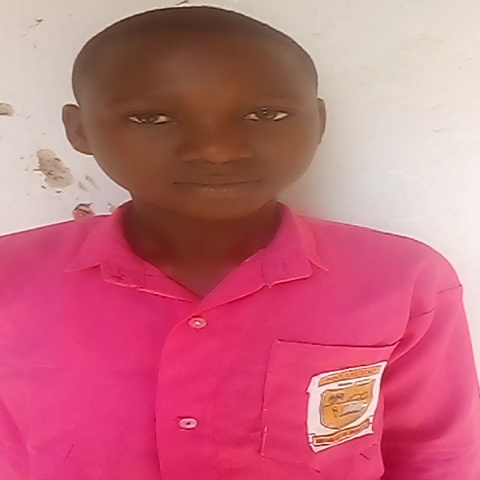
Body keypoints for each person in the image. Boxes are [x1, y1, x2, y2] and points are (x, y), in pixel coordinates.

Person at [0, 5, 479, 480]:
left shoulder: (401, 281)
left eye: (265, 114)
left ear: (317, 122)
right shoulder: (11, 278)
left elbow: (438, 457)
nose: (217, 150)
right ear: (79, 129)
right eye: (152, 117)